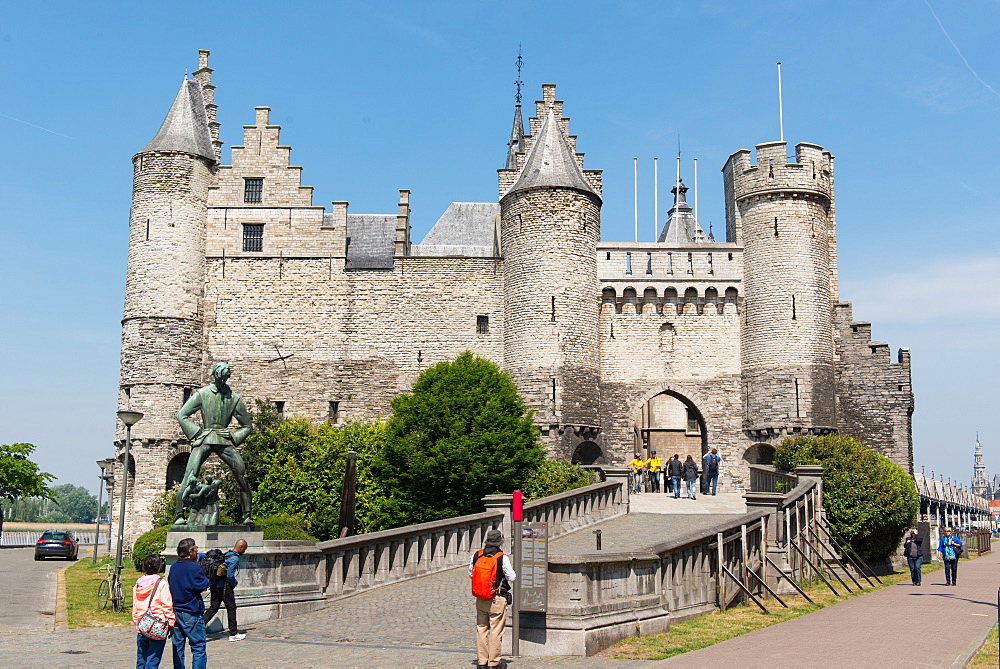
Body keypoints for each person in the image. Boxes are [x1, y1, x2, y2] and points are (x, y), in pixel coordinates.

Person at [175, 362, 254, 525]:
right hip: (206, 437)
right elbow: (181, 415)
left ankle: (247, 516)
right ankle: (179, 515)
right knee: (190, 474)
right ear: (216, 374)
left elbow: (247, 426)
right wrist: (197, 433)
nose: (225, 379)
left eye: (227, 376)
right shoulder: (203, 394)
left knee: (242, 476)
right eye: (222, 375)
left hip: (224, 440)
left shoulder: (234, 398)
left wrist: (233, 436)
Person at [470, 529, 516, 669]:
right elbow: (512, 577)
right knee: (496, 631)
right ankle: (494, 662)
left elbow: (471, 573)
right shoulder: (502, 557)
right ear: (499, 543)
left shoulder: (477, 555)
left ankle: (482, 661)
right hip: (497, 598)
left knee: (481, 629)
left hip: (481, 598)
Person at [168, 538, 211, 669]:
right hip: (190, 611)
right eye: (196, 549)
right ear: (190, 551)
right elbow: (202, 585)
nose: (197, 551)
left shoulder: (174, 566)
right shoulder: (193, 567)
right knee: (198, 646)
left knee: (178, 647)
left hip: (175, 611)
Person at [133, 554, 174, 668]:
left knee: (141, 659)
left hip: (142, 623)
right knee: (153, 659)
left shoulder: (138, 584)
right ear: (159, 567)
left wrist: (136, 622)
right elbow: (167, 605)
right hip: (157, 624)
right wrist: (171, 622)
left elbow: (135, 605)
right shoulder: (161, 583)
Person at [204, 539, 248, 641]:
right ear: (240, 547)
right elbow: (229, 575)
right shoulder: (234, 559)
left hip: (215, 585)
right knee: (231, 608)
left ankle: (197, 627)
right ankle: (233, 633)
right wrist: (234, 584)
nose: (244, 552)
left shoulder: (227, 554)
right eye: (244, 549)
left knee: (213, 608)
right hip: (225, 586)